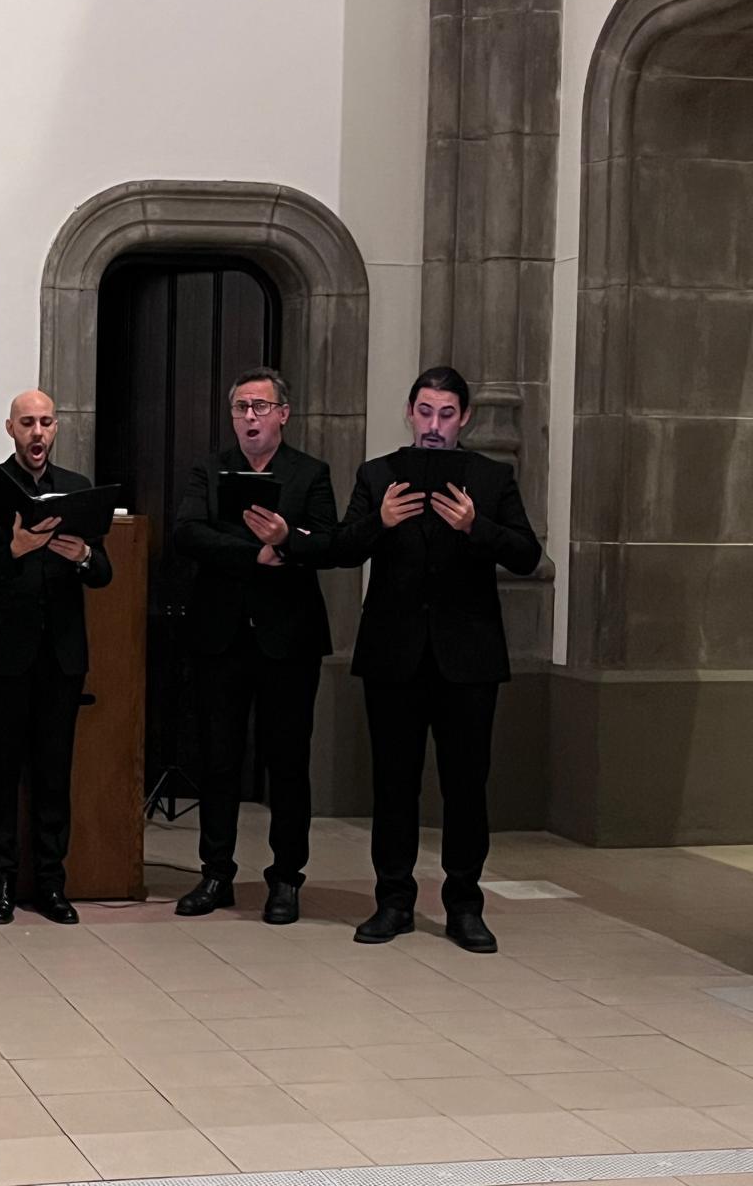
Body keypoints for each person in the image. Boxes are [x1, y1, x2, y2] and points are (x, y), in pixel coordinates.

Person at [303, 366, 541, 953]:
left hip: (469, 657)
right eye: (425, 412)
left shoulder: (491, 477)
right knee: (393, 784)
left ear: (464, 419)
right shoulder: (378, 475)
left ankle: (464, 905)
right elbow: (336, 549)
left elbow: (527, 554)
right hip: (394, 654)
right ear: (409, 412)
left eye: (447, 414)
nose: (434, 426)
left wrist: (476, 527)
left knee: (466, 786)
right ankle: (393, 902)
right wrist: (378, 523)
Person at [172, 368, 336, 925]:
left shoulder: (310, 472)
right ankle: (216, 873)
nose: (249, 418)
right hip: (221, 634)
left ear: (283, 415)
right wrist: (252, 555)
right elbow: (188, 531)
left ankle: (286, 878)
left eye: (260, 408)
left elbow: (329, 539)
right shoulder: (211, 469)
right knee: (218, 759)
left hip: (288, 639)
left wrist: (286, 540)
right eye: (241, 407)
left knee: (287, 762)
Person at [0, 391, 113, 925]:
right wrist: (17, 549)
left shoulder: (76, 488)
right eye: (28, 423)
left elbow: (105, 571)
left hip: (62, 655)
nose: (38, 432)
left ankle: (51, 883)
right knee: (1, 772)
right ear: (10, 428)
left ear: (57, 428)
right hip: (2, 653)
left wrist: (85, 555)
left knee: (54, 773)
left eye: (46, 422)